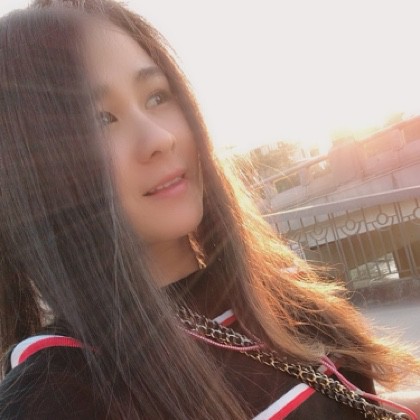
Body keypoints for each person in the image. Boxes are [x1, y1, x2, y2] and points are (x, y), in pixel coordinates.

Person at [0, 1, 419, 418]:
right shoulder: (60, 392)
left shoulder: (270, 293)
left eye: (157, 96)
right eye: (100, 120)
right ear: (32, 171)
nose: (159, 138)